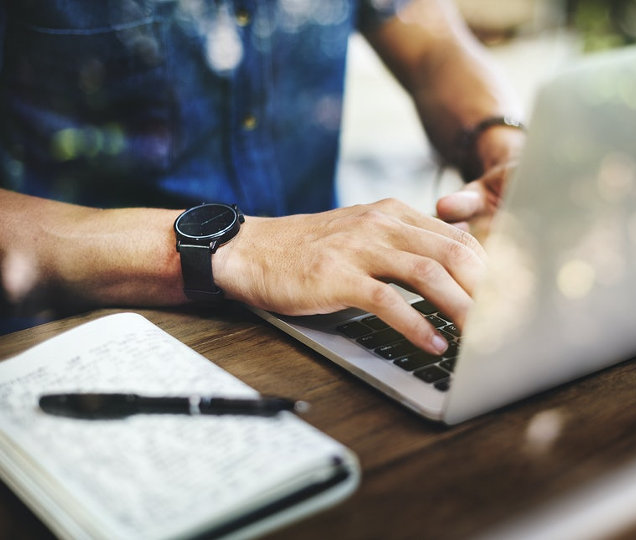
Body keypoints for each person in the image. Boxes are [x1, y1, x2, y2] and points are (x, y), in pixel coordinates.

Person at [0, 0, 525, 355]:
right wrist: (237, 249)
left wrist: (498, 140)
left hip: (327, 317)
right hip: (75, 339)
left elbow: (434, 45)